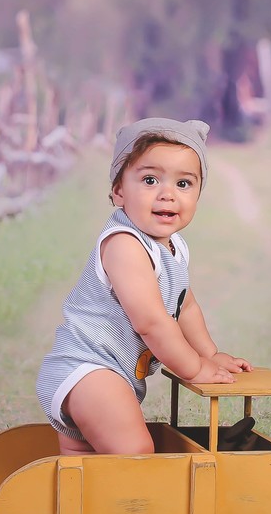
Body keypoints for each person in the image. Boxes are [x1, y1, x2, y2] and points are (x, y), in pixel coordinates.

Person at [36, 117, 251, 456]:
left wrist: (209, 353)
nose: (167, 194)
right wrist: (194, 368)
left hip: (109, 376)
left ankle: (81, 506)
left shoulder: (173, 246)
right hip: (89, 371)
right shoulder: (125, 244)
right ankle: (129, 506)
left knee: (86, 462)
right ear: (119, 190)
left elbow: (185, 307)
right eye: (150, 180)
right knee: (135, 452)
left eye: (184, 184)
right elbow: (151, 322)